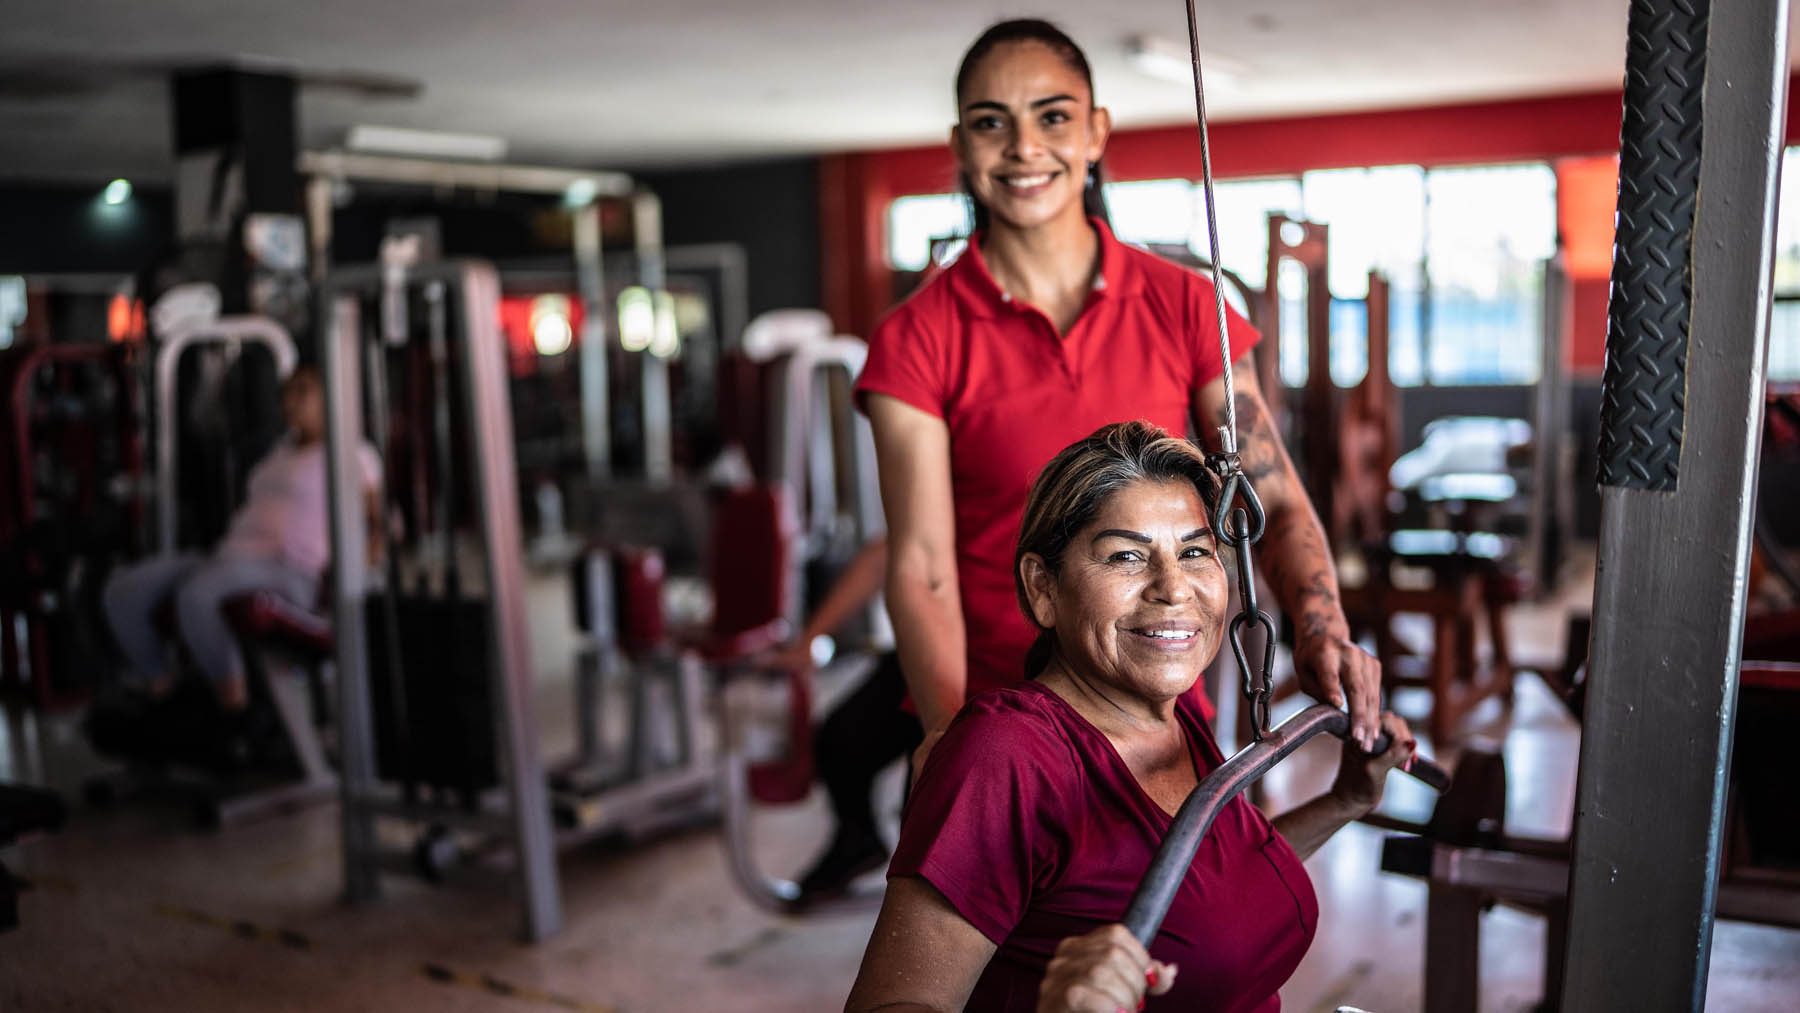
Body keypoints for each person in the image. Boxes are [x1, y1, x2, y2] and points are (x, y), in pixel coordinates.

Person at [854, 20, 1384, 786]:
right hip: (1004, 736)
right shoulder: (917, 336)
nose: (1024, 147)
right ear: (962, 145)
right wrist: (947, 735)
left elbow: (1268, 497)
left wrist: (1321, 629)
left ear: (1097, 131)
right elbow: (924, 564)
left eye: (1053, 115)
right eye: (991, 122)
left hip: (1163, 720)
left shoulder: (1185, 305)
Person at [845, 422, 1414, 1013]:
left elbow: (1206, 892)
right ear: (1043, 588)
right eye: (1126, 556)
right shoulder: (1005, 755)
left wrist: (1345, 800)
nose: (1174, 588)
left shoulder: (1169, 718)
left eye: (1195, 551)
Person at [102, 365, 381, 711]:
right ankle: (159, 687)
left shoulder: (354, 453)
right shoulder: (279, 453)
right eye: (287, 393)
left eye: (302, 392)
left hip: (291, 567)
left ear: (330, 398)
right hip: (231, 557)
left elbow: (378, 523)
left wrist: (356, 578)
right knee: (125, 590)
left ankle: (233, 703)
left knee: (196, 593)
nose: (290, 402)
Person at [759, 536, 926, 899]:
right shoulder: (941, 486)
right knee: (840, 740)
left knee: (930, 816)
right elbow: (884, 553)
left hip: (998, 653)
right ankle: (857, 840)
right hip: (929, 642)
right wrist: (809, 639)